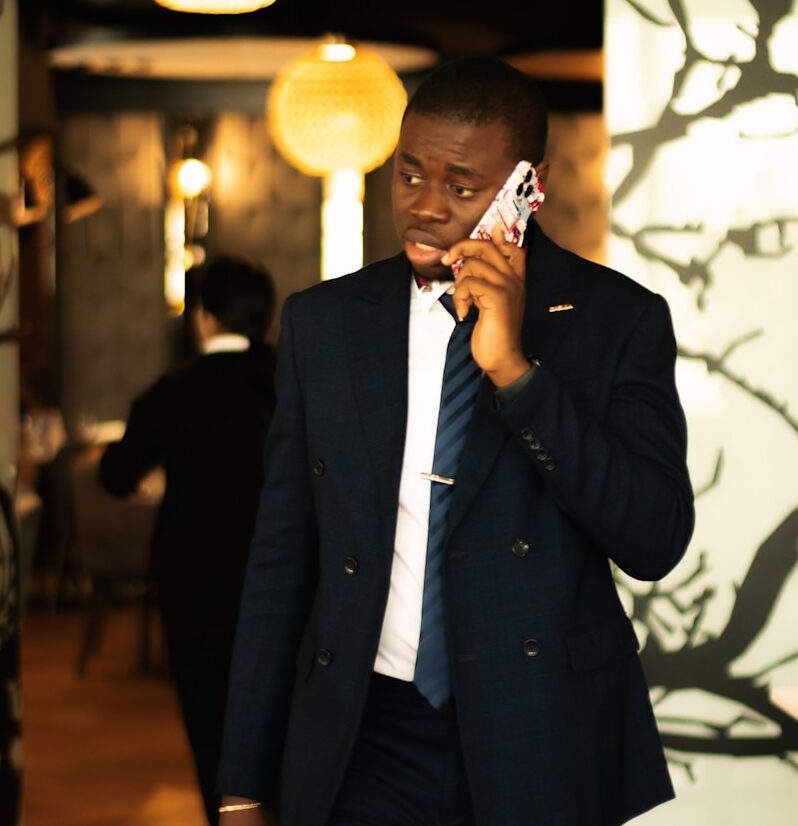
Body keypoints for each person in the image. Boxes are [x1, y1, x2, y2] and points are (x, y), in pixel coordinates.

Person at [216, 58, 694, 826]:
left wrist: (515, 373)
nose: (426, 207)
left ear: (528, 185)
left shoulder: (616, 321)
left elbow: (655, 539)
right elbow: (281, 559)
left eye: (462, 187)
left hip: (542, 730)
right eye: (409, 176)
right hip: (364, 734)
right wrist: (241, 783)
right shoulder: (325, 324)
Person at [99, 254, 277, 825]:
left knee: (211, 723)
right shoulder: (293, 380)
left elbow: (116, 476)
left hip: (194, 581)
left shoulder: (173, 391)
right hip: (282, 578)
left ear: (204, 316)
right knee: (286, 716)